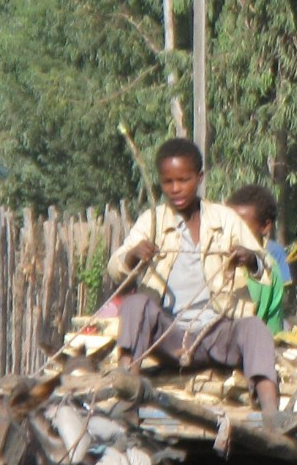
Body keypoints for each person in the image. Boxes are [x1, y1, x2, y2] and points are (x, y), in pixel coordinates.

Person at [107, 138, 285, 427]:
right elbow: (115, 268)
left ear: (199, 178)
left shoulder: (225, 219)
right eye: (168, 182)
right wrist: (132, 257)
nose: (175, 188)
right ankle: (128, 393)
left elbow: (265, 266)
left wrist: (249, 258)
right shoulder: (151, 222)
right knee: (136, 303)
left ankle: (270, 410)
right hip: (169, 335)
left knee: (254, 328)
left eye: (184, 180)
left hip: (216, 332)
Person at [225, 183, 288, 330]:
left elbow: (272, 327)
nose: (233, 232)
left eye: (241, 226)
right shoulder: (220, 258)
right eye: (229, 225)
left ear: (265, 226)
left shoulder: (269, 269)